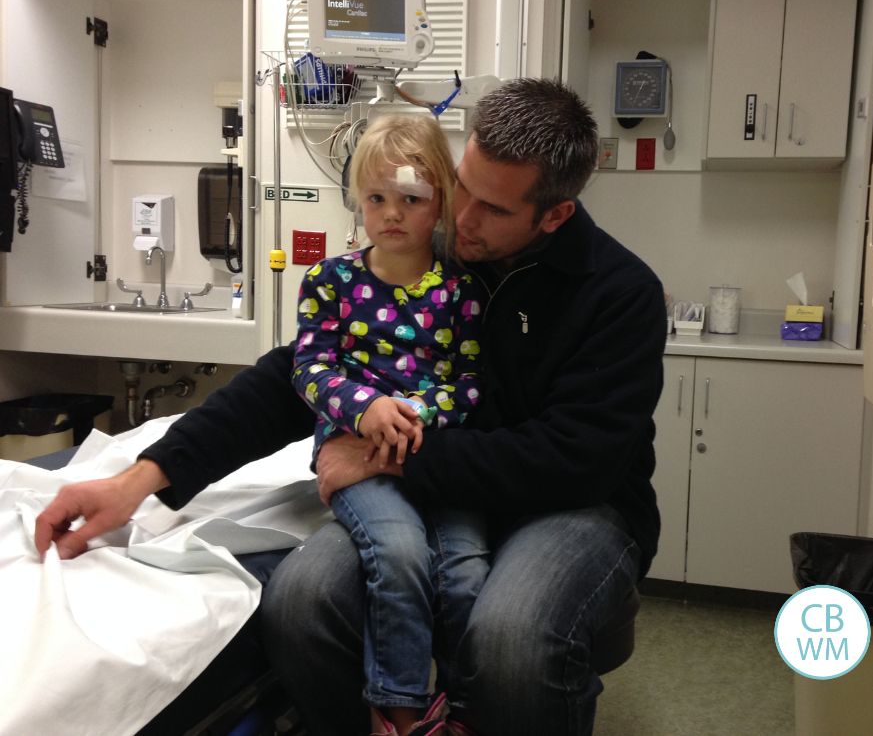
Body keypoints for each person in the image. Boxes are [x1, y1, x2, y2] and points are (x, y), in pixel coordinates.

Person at [34, 78, 666, 736]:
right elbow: (296, 374)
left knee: (510, 636)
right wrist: (140, 479)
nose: (463, 219)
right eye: (462, 189)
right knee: (301, 601)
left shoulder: (620, 295)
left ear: (554, 215)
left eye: (493, 209)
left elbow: (573, 460)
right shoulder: (438, 257)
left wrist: (383, 457)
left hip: (571, 505)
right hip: (438, 488)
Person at [291, 113, 488, 734]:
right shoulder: (331, 282)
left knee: (466, 573)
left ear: (443, 205)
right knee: (401, 552)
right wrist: (365, 408)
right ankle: (400, 711)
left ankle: (458, 706)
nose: (392, 214)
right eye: (377, 198)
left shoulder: (461, 291)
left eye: (411, 199)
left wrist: (414, 413)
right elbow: (308, 368)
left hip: (436, 454)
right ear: (357, 200)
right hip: (359, 455)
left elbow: (471, 384)